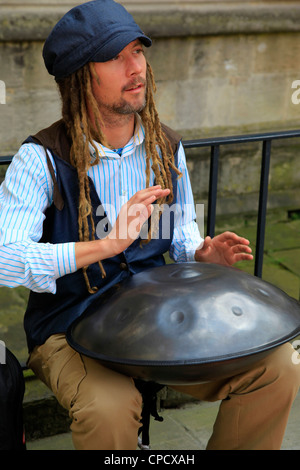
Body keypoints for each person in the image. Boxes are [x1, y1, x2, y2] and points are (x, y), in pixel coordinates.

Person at [0, 0, 299, 450]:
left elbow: (182, 240)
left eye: (137, 51)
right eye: (116, 57)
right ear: (82, 76)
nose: (135, 66)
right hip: (68, 327)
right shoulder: (39, 160)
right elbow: (5, 259)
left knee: (278, 364)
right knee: (110, 407)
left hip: (154, 322)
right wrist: (106, 245)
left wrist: (202, 255)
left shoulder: (165, 147)